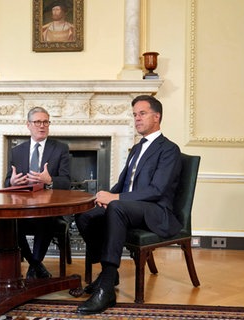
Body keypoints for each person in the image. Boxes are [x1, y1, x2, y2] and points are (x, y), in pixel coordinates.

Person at [75, 95, 182, 315]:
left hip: (155, 210)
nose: (137, 118)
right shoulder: (136, 148)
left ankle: (106, 288)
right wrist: (103, 197)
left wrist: (115, 200)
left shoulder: (169, 149)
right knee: (84, 213)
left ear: (157, 116)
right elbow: (122, 184)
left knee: (116, 207)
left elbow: (157, 191)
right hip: (129, 206)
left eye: (142, 113)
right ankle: (109, 274)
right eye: (134, 114)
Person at [4, 107, 71, 279]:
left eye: (45, 122)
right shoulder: (17, 151)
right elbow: (6, 182)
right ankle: (35, 265)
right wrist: (11, 182)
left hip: (50, 207)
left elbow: (67, 182)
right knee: (9, 222)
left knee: (45, 217)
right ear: (28, 125)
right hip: (23, 206)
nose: (42, 126)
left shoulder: (60, 148)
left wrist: (50, 180)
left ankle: (34, 265)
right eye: (37, 122)